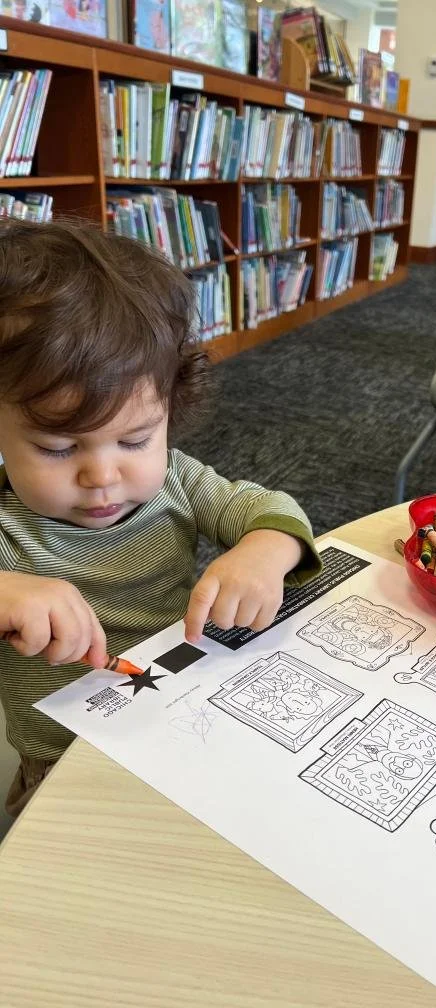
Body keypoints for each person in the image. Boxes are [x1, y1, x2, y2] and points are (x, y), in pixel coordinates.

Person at [0, 219, 322, 816]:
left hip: (179, 729)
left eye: (135, 440)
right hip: (59, 766)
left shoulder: (175, 480)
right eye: (59, 448)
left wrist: (265, 549)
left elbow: (272, 509)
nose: (102, 476)